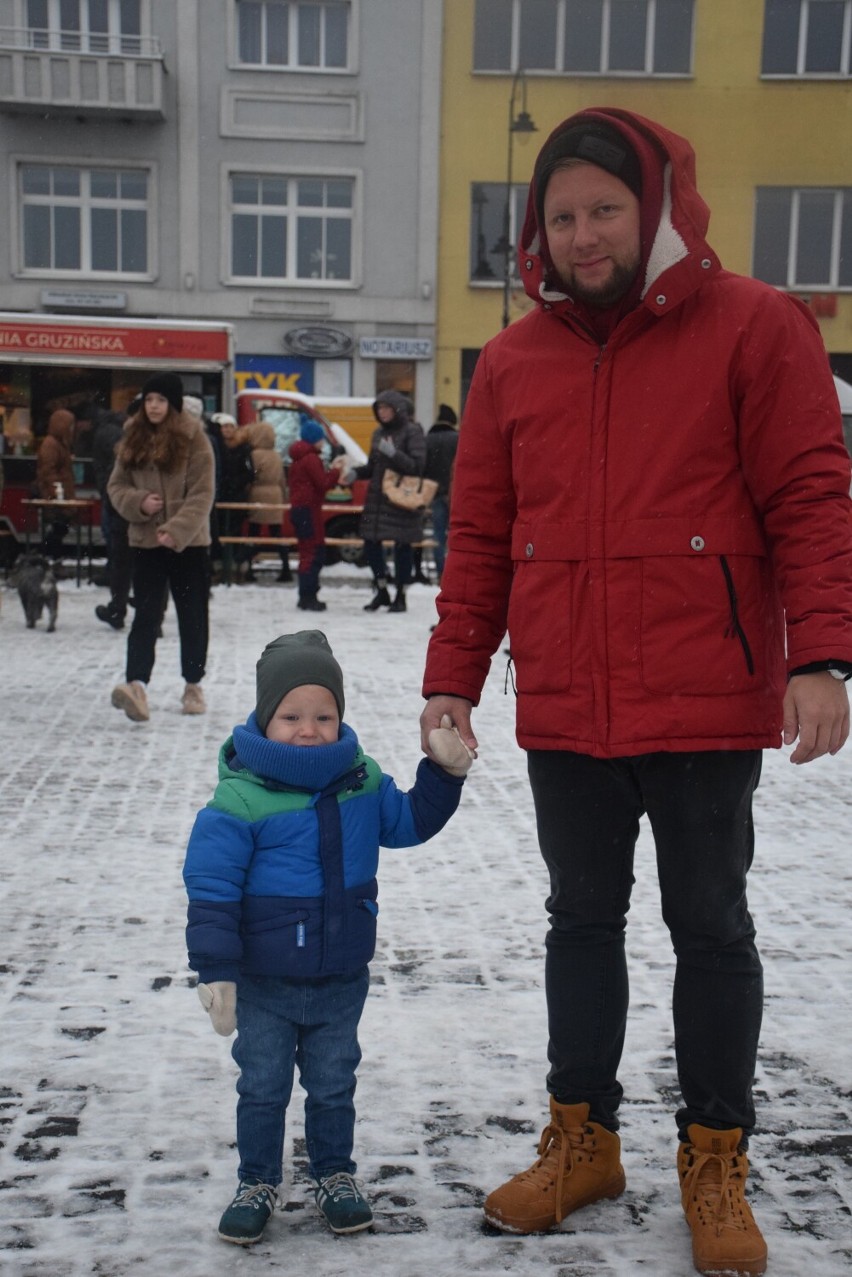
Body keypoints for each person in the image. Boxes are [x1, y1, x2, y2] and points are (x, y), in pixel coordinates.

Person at [419, 107, 852, 1277]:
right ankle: (584, 1137)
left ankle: (716, 1157)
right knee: (578, 923)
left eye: (603, 207)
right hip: (569, 697)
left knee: (711, 927)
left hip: (705, 694)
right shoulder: (512, 362)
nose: (582, 233)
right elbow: (483, 536)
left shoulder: (756, 327)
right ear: (538, 232)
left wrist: (821, 651)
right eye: (560, 216)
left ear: (654, 205)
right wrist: (451, 674)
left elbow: (811, 493)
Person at [182, 629, 474, 1246]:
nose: (309, 729)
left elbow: (410, 821)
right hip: (263, 980)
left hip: (341, 975)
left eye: (323, 714)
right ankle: (257, 1180)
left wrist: (443, 774)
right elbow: (211, 889)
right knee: (261, 1086)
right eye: (291, 716)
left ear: (341, 716)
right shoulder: (240, 796)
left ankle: (334, 1175)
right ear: (266, 718)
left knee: (334, 1082)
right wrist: (216, 972)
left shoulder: (359, 780)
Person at [107, 372, 215, 722]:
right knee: (146, 615)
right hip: (146, 541)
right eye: (149, 399)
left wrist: (176, 529)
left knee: (192, 615)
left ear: (173, 404)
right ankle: (136, 684)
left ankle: (193, 684)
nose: (153, 406)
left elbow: (203, 493)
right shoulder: (132, 437)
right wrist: (139, 502)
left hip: (189, 544)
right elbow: (116, 487)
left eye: (160, 400)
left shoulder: (194, 438)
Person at [354, 389, 427, 613]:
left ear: (397, 410)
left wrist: (393, 452)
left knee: (402, 547)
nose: (383, 412)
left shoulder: (412, 432)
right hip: (378, 500)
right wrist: (355, 473)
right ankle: (382, 590)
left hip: (401, 498)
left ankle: (401, 596)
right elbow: (373, 466)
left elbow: (416, 466)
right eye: (379, 408)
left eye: (386, 408)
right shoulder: (377, 434)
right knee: (370, 544)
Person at [287, 419, 348, 611]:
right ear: (314, 439)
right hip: (309, 510)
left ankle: (305, 594)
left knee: (307, 552)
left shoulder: (298, 457)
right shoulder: (311, 458)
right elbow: (322, 483)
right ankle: (308, 596)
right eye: (321, 439)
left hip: (300, 509)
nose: (323, 442)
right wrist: (336, 470)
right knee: (313, 553)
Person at [92, 409, 132, 630]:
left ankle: (118, 609)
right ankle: (155, 617)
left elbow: (112, 483)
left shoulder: (121, 444)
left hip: (121, 513)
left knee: (122, 564)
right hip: (143, 516)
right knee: (148, 566)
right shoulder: (122, 441)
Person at [238, 420, 288, 583]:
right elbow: (282, 479)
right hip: (275, 494)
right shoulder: (277, 455)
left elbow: (252, 475)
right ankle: (285, 567)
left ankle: (249, 568)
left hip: (258, 493)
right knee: (276, 533)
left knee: (254, 531)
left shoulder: (254, 455)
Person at [210, 412, 254, 585]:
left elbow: (250, 473)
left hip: (237, 497)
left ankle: (235, 569)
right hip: (221, 496)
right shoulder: (216, 446)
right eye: (224, 427)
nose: (227, 430)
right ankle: (221, 568)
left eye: (230, 427)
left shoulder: (244, 448)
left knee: (235, 533)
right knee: (219, 533)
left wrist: (235, 483)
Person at [421, 403, 458, 583]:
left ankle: (441, 571)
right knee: (456, 533)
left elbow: (422, 466)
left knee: (437, 534)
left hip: (434, 493)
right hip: (454, 493)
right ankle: (454, 571)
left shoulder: (428, 439)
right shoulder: (458, 438)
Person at [35, 407, 76, 562]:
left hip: (59, 494)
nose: (72, 429)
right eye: (70, 425)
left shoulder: (59, 443)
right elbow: (48, 470)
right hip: (56, 496)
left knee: (60, 527)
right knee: (59, 526)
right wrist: (56, 491)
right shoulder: (52, 444)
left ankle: (49, 556)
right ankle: (47, 555)